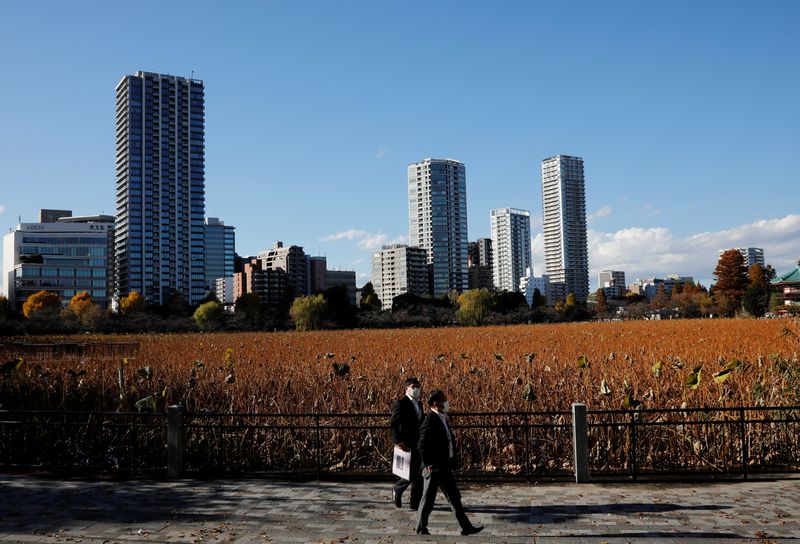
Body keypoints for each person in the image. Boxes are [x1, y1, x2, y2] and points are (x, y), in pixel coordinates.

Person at [415, 389, 484, 536]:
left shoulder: (442, 417)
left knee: (454, 497)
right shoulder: (430, 420)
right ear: (435, 403)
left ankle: (466, 527)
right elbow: (421, 445)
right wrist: (428, 464)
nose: (446, 401)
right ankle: (421, 527)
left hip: (444, 465)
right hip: (434, 467)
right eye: (443, 399)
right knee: (428, 499)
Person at [390, 377, 424, 510]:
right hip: (406, 442)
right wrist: (398, 441)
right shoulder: (401, 403)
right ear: (406, 388)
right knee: (412, 472)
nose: (416, 389)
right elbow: (394, 424)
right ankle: (398, 489)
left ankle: (415, 503)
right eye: (413, 386)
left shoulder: (419, 403)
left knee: (419, 473)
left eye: (418, 386)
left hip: (418, 442)